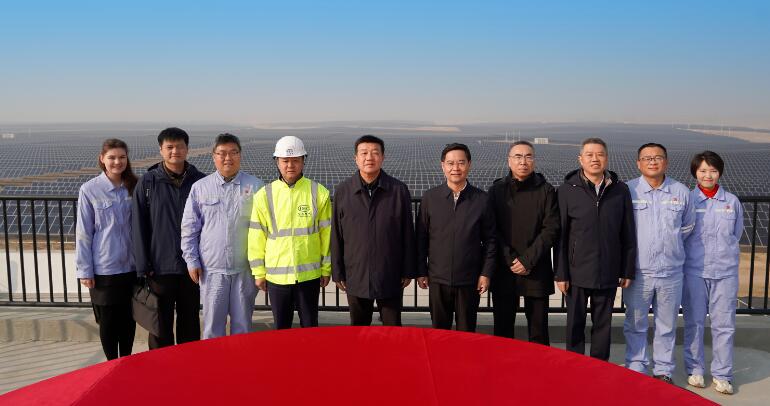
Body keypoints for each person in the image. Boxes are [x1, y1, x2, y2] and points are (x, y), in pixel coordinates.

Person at [555, 137, 636, 361]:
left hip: (608, 271)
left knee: (603, 325)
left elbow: (627, 233)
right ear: (580, 159)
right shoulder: (566, 190)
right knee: (575, 324)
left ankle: (599, 367)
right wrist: (561, 273)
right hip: (576, 272)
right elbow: (561, 236)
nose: (595, 159)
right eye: (589, 155)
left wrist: (627, 269)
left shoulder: (620, 190)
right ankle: (574, 364)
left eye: (600, 154)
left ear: (607, 159)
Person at [624, 143, 695, 383]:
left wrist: (669, 246)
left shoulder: (681, 192)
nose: (652, 162)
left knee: (667, 325)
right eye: (647, 158)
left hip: (671, 273)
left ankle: (663, 371)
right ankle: (636, 367)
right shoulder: (628, 191)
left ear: (666, 161)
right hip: (638, 273)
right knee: (635, 323)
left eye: (658, 157)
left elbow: (687, 227)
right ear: (638, 163)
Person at [181, 134, 263, 339]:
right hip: (212, 270)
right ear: (214, 156)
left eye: (233, 152)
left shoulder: (256, 186)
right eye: (222, 153)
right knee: (212, 328)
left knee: (243, 326)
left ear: (240, 155)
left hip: (245, 270)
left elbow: (265, 229)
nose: (228, 158)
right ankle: (213, 360)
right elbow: (189, 228)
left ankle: (239, 358)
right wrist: (191, 260)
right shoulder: (200, 187)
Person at [132, 127, 206, 349]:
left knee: (189, 320)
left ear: (187, 149)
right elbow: (138, 226)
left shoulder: (200, 181)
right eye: (170, 147)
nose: (175, 151)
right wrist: (143, 266)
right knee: (160, 324)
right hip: (159, 267)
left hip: (191, 266)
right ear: (161, 150)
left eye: (180, 146)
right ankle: (160, 364)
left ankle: (188, 361)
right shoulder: (148, 183)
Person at [247, 136, 331, 329]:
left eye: (295, 160)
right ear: (277, 162)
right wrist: (259, 272)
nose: (290, 165)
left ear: (303, 161)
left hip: (309, 276)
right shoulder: (264, 195)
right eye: (285, 161)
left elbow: (326, 235)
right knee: (281, 329)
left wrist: (326, 269)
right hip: (277, 277)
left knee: (310, 327)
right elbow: (256, 237)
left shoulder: (319, 193)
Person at [331, 135, 416, 326]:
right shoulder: (344, 191)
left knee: (393, 329)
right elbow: (336, 235)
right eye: (364, 153)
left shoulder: (398, 190)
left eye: (375, 153)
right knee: (359, 330)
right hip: (356, 274)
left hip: (391, 273)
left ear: (383, 157)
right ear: (356, 158)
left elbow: (407, 234)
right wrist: (338, 272)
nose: (369, 157)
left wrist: (408, 269)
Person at [415, 143, 495, 332]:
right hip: (437, 278)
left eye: (461, 162)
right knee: (439, 332)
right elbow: (421, 238)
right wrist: (421, 271)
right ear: (443, 165)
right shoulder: (430, 198)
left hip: (469, 280)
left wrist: (485, 273)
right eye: (450, 163)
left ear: (469, 165)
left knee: (466, 333)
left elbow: (491, 240)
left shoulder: (482, 199)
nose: (456, 168)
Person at [488, 141, 560, 345]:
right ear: (509, 161)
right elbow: (492, 229)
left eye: (528, 157)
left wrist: (528, 260)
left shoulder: (546, 190)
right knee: (503, 329)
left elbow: (551, 228)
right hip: (505, 268)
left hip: (536, 268)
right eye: (518, 157)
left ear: (534, 161)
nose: (523, 162)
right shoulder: (496, 190)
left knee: (538, 331)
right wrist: (511, 259)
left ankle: (539, 366)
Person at [683, 151, 743, 395]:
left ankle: (722, 374)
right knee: (694, 322)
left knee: (724, 325)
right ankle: (695, 369)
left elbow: (736, 234)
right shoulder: (688, 200)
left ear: (720, 173)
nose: (708, 175)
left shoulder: (732, 202)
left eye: (713, 171)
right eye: (703, 171)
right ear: (695, 173)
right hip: (694, 271)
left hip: (725, 273)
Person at [76, 138, 138, 360]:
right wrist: (85, 270)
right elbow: (84, 233)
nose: (117, 162)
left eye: (122, 157)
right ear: (102, 159)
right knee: (108, 321)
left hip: (131, 266)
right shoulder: (90, 190)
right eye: (112, 157)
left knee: (129, 319)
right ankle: (111, 363)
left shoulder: (134, 186)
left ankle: (126, 361)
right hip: (104, 268)